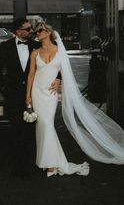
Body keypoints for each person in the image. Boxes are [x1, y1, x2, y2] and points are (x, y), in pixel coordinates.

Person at [26, 21, 124, 178]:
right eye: (36, 32)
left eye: (40, 31)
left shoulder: (59, 51)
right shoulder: (35, 53)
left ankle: (51, 163)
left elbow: (65, 71)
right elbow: (31, 75)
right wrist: (28, 95)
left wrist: (59, 79)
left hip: (50, 95)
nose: (37, 33)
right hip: (37, 93)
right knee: (43, 126)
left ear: (48, 33)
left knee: (47, 125)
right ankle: (50, 163)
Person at [0, 18, 61, 176]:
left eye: (32, 28)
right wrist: (3, 88)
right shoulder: (6, 46)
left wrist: (59, 78)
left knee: (33, 130)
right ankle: (18, 166)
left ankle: (35, 163)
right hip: (13, 96)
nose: (32, 31)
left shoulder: (36, 45)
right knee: (17, 130)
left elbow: (56, 61)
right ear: (18, 31)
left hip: (35, 94)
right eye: (28, 29)